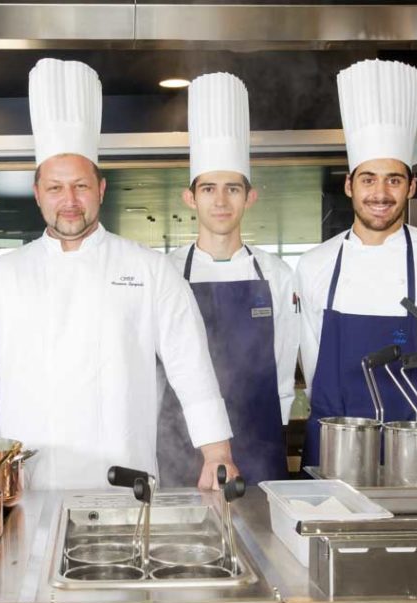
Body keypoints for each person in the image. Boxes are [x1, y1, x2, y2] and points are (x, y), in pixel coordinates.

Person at [0, 58, 236, 490]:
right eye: (55, 188)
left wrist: (217, 452)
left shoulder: (149, 269)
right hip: (29, 487)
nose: (68, 200)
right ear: (38, 194)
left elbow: (191, 365)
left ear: (101, 189)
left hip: (128, 486)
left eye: (80, 186)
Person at [296, 59, 417, 467]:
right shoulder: (314, 264)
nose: (381, 193)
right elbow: (310, 353)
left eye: (394, 180)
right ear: (349, 185)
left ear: (411, 186)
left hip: (415, 443)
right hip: (333, 442)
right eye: (368, 179)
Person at [156, 72, 298, 486]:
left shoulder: (275, 273)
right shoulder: (164, 273)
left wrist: (276, 425)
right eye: (209, 189)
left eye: (233, 189)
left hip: (261, 443)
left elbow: (285, 364)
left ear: (250, 197)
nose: (220, 201)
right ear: (190, 197)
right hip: (180, 445)